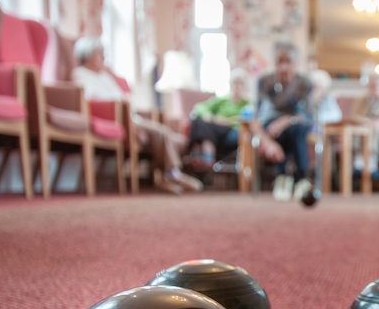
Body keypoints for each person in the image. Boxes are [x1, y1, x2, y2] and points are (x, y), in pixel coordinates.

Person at [72, 37, 202, 195]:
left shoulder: (104, 76)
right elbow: (89, 97)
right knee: (159, 131)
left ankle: (167, 177)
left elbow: (125, 95)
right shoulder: (80, 74)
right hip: (113, 117)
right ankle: (172, 174)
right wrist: (119, 104)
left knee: (160, 134)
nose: (103, 58)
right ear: (87, 55)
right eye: (100, 54)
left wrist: (112, 78)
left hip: (128, 116)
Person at [255, 42, 313, 199]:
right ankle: (298, 178)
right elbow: (256, 118)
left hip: (296, 123)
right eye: (280, 62)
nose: (284, 68)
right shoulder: (264, 81)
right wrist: (267, 142)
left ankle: (288, 178)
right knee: (277, 130)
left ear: (296, 64)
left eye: (289, 62)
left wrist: (286, 120)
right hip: (271, 128)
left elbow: (309, 116)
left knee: (296, 129)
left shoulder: (304, 82)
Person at [186, 68, 254, 173]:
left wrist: (226, 121)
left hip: (232, 130)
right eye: (235, 83)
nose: (237, 86)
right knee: (198, 122)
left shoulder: (247, 104)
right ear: (231, 85)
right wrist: (210, 117)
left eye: (240, 84)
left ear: (245, 87)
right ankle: (204, 158)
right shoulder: (222, 100)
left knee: (203, 125)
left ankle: (202, 156)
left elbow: (248, 122)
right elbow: (199, 107)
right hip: (214, 129)